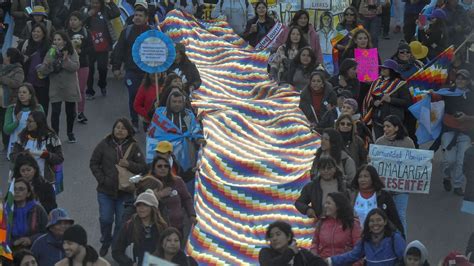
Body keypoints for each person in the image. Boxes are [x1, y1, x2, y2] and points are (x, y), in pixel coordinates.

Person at [89, 117, 147, 257]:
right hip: (105, 191)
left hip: (125, 192)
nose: (120, 131)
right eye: (117, 127)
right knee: (106, 219)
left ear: (128, 131)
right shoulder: (104, 144)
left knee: (121, 223)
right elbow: (94, 163)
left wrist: (129, 165)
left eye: (123, 128)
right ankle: (105, 240)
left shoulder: (134, 147)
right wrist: (102, 179)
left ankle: (116, 248)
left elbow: (143, 168)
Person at [433, 69, 474, 196]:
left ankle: (457, 185)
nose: (461, 81)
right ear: (455, 79)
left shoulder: (472, 95)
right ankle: (446, 176)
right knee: (450, 160)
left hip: (466, 132)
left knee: (461, 160)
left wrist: (466, 118)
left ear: (468, 81)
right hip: (449, 130)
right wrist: (430, 93)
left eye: (464, 78)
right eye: (459, 78)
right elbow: (435, 98)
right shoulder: (448, 92)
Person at [111, 5, 152, 131]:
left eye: (140, 16)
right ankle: (134, 122)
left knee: (147, 98)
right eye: (136, 15)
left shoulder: (153, 33)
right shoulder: (127, 31)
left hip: (148, 73)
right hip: (132, 71)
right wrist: (116, 67)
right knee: (133, 95)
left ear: (146, 18)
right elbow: (119, 50)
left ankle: (147, 121)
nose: (137, 18)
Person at [37, 31, 80, 143]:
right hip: (55, 86)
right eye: (55, 40)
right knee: (55, 111)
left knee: (70, 111)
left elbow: (75, 67)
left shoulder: (71, 52)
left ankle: (70, 132)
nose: (56, 42)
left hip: (69, 85)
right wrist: (49, 63)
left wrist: (66, 60)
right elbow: (43, 69)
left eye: (59, 39)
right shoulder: (51, 53)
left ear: (65, 41)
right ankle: (55, 134)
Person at [375, 115, 415, 234]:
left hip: (401, 188)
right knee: (384, 216)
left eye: (388, 126)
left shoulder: (407, 142)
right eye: (384, 127)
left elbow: (415, 162)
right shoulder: (379, 142)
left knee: (400, 215)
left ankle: (402, 243)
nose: (385, 129)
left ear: (396, 128)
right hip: (384, 188)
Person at [147, 90, 204, 173]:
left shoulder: (188, 116)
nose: (177, 104)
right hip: (165, 152)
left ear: (183, 103)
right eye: (174, 101)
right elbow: (153, 133)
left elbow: (194, 129)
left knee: (184, 174)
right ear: (169, 102)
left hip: (184, 152)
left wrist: (199, 138)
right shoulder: (161, 115)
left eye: (179, 102)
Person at [327, 208, 406, 265]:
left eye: (379, 220)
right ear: (368, 224)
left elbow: (406, 259)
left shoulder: (395, 238)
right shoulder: (365, 241)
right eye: (372, 221)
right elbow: (351, 256)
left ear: (385, 222)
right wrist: (330, 261)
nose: (375, 223)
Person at [112, 189, 168, 266]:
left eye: (145, 205)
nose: (141, 208)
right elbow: (116, 251)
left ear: (153, 208)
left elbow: (170, 251)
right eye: (138, 205)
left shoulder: (162, 227)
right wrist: (130, 263)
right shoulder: (129, 226)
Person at [11, 111, 64, 184]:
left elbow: (60, 158)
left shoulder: (51, 137)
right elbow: (12, 156)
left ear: (39, 122)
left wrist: (46, 155)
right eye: (27, 120)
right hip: (24, 180)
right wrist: (23, 155)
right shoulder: (22, 135)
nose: (27, 123)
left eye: (30, 121)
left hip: (45, 180)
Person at [363, 59, 410, 139]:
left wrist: (390, 100)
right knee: (380, 143)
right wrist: (374, 102)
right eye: (382, 68)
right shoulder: (377, 82)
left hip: (393, 122)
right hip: (378, 120)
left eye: (385, 68)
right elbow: (370, 98)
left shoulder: (400, 84)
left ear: (392, 71)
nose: (382, 70)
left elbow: (406, 102)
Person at [149, 156, 196, 235]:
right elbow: (142, 203)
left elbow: (186, 199)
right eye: (159, 166)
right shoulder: (148, 182)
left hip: (177, 226)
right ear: (154, 168)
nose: (163, 168)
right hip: (155, 228)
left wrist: (192, 215)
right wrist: (159, 195)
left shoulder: (178, 181)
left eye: (166, 166)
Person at [351, 165, 404, 234]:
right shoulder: (351, 196)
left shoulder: (384, 196)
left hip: (379, 238)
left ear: (373, 178)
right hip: (356, 238)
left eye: (366, 176)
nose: (362, 180)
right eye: (360, 177)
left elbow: (394, 219)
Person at [84, 0, 121, 99]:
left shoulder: (106, 11)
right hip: (90, 45)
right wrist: (88, 14)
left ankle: (102, 84)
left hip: (103, 45)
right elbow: (79, 21)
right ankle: (89, 91)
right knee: (90, 69)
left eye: (97, 3)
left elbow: (117, 13)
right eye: (93, 2)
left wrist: (110, 2)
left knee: (102, 68)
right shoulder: (86, 10)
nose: (95, 5)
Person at [311, 192, 361, 261]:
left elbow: (358, 248)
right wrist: (315, 260)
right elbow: (314, 244)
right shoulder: (321, 223)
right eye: (325, 203)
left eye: (329, 203)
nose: (325, 206)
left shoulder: (352, 223)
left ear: (338, 206)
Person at [258, 220, 327, 265]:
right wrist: (290, 252)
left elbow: (320, 263)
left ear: (288, 237)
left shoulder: (301, 252)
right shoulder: (265, 252)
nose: (274, 238)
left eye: (278, 234)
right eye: (271, 236)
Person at [4, 83, 44, 160]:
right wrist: (16, 122)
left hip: (34, 146)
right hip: (16, 146)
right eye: (19, 92)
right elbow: (6, 130)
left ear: (30, 95)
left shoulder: (38, 108)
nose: (21, 94)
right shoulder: (11, 109)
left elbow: (43, 127)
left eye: (24, 92)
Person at [67, 11, 93, 124]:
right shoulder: (66, 34)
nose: (72, 22)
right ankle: (71, 111)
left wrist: (81, 51)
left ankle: (80, 112)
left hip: (83, 64)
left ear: (81, 22)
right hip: (69, 64)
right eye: (71, 20)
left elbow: (92, 48)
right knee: (71, 89)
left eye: (75, 20)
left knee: (81, 89)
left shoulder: (86, 33)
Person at [20, 24, 51, 116]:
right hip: (28, 83)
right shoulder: (26, 44)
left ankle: (42, 128)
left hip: (43, 83)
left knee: (42, 109)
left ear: (44, 34)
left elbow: (52, 64)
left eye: (38, 31)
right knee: (28, 109)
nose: (35, 34)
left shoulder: (48, 47)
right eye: (34, 31)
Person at [11, 178, 48, 250]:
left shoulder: (38, 209)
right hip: (11, 251)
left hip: (35, 249)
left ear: (28, 193)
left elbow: (47, 231)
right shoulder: (7, 210)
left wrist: (31, 239)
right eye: (14, 189)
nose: (17, 192)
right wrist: (13, 242)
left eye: (21, 189)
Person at [0, 48, 25, 151]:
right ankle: (5, 144)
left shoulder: (18, 69)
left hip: (10, 102)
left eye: (6, 55)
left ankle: (8, 145)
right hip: (1, 101)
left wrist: (2, 79)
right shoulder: (2, 68)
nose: (4, 57)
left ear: (9, 57)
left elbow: (17, 83)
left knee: (7, 123)